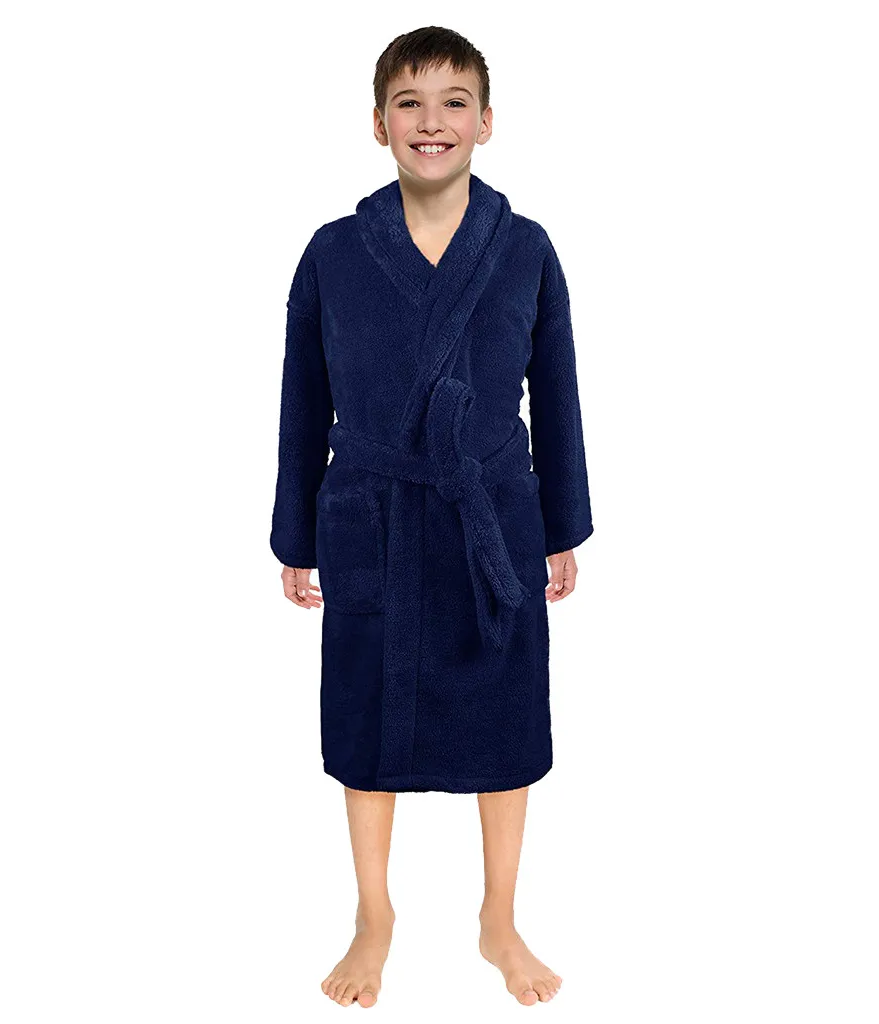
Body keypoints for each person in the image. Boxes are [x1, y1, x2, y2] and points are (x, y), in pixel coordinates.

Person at [270, 26, 593, 1008]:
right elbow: (301, 400)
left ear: (486, 122)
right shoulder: (333, 252)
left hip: (491, 514)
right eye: (408, 102)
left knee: (506, 717)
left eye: (455, 100)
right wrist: (296, 536)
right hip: (370, 514)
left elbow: (558, 394)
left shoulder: (525, 249)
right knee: (366, 719)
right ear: (378, 124)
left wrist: (561, 525)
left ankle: (500, 915)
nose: (431, 120)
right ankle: (374, 913)